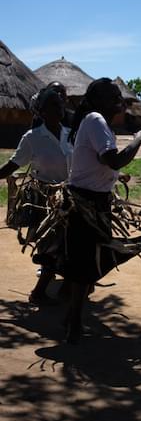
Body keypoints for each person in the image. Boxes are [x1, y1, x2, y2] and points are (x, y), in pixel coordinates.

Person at [64, 77, 141, 344]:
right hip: (85, 202)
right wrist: (136, 140)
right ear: (99, 100)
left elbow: (101, 164)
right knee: (85, 262)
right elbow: (111, 159)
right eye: (113, 96)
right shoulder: (95, 120)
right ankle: (74, 324)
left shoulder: (93, 121)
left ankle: (73, 318)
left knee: (89, 259)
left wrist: (116, 177)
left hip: (93, 201)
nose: (118, 100)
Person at [0, 89, 73, 305]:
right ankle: (38, 292)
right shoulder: (32, 138)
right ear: (40, 111)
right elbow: (12, 165)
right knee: (53, 244)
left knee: (72, 242)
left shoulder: (70, 133)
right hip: (46, 199)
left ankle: (69, 285)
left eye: (59, 104)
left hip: (71, 196)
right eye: (52, 105)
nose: (58, 108)